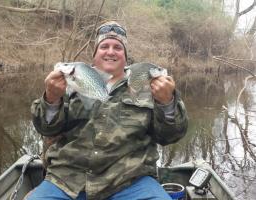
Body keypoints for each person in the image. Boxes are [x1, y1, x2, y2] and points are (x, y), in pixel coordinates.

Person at [28, 21, 188, 200]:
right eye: (104, 46)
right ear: (94, 55)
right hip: (67, 180)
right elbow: (46, 129)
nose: (110, 51)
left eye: (118, 47)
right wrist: (51, 98)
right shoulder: (66, 83)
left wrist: (167, 103)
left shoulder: (149, 86)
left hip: (132, 181)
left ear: (125, 56)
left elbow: (170, 136)